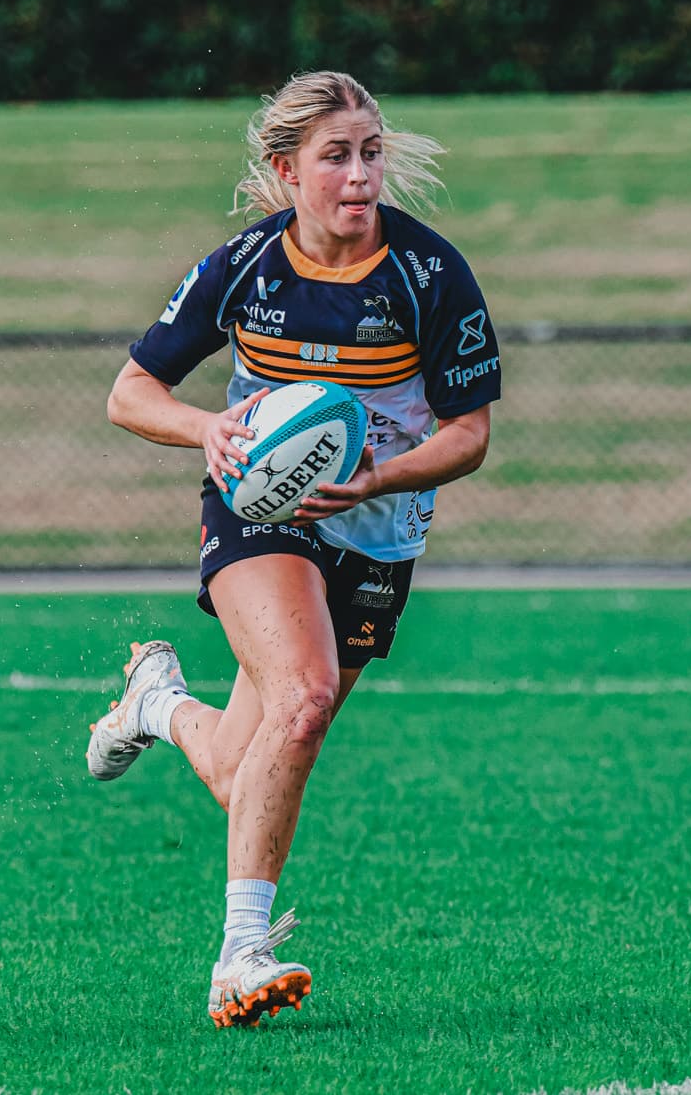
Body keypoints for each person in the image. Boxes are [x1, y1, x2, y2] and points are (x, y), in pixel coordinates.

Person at [87, 71, 502, 1027]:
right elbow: (129, 393)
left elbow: (469, 434)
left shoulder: (428, 275)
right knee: (305, 698)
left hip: (379, 527)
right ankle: (240, 956)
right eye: (336, 156)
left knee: (248, 768)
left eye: (371, 153)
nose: (360, 175)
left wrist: (381, 478)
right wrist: (208, 429)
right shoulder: (245, 267)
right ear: (286, 171)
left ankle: (157, 701)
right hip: (260, 510)